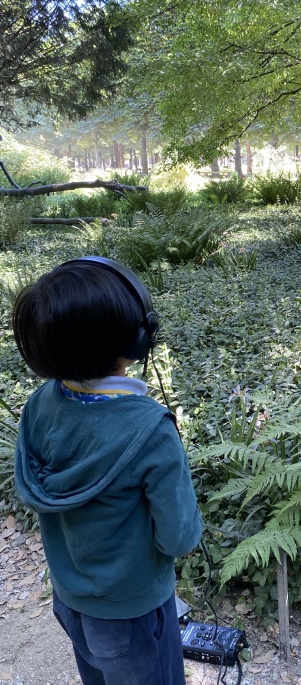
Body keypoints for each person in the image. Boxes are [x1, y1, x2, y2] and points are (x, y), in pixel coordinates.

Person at [12, 256, 202, 685]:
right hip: (133, 613)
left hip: (70, 600)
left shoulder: (40, 404)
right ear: (137, 342)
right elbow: (180, 537)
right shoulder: (151, 430)